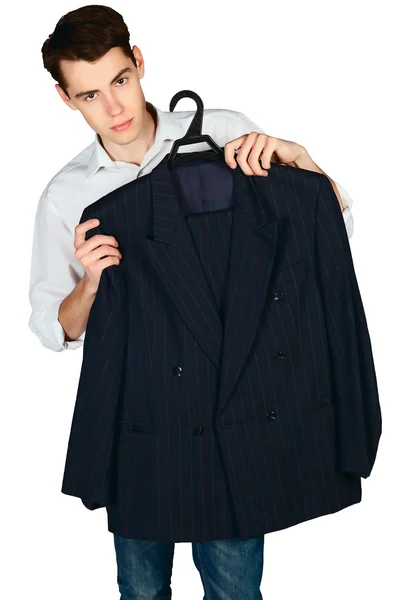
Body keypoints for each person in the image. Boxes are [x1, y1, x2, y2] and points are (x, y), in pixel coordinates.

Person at [28, 5, 355, 599]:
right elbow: (54, 329)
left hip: (237, 403)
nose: (114, 108)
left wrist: (301, 159)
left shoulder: (227, 130)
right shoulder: (66, 195)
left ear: (140, 63)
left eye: (121, 81)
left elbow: (318, 234)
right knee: (142, 589)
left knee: (235, 590)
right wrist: (91, 283)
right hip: (143, 412)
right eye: (90, 95)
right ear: (65, 98)